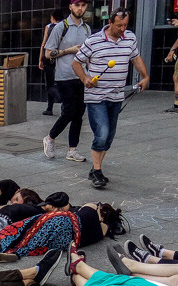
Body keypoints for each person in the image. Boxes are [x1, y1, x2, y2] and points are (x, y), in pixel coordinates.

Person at [72, 8, 150, 188]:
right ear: (110, 22)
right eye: (119, 25)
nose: (123, 28)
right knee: (102, 133)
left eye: (125, 25)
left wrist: (145, 76)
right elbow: (76, 62)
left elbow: (136, 59)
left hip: (117, 95)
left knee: (109, 137)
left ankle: (95, 168)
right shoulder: (93, 41)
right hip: (96, 96)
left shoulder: (130, 38)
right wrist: (85, 78)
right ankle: (97, 172)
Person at [43, 1, 90, 162]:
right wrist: (69, 51)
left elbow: (88, 54)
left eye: (83, 5)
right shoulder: (60, 27)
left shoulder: (86, 29)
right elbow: (48, 54)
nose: (80, 8)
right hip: (64, 76)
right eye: (77, 5)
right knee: (69, 112)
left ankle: (72, 150)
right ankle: (50, 137)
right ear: (70, 7)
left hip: (82, 77)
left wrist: (90, 74)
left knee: (79, 114)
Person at [38, 9, 64, 116]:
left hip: (49, 59)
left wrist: (40, 59)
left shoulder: (49, 27)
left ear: (53, 18)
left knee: (50, 84)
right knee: (61, 82)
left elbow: (44, 44)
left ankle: (51, 106)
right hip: (61, 57)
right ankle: (62, 106)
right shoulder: (65, 27)